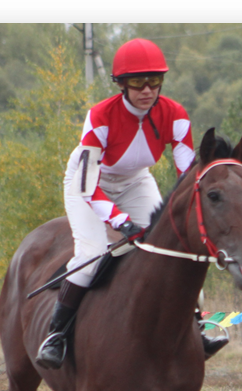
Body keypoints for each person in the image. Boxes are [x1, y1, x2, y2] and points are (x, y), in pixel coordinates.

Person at [36, 37, 228, 370]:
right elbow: (88, 188)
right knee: (92, 254)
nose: (147, 89)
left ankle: (196, 326)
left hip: (137, 181)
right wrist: (120, 220)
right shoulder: (100, 116)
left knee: (178, 251)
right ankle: (57, 335)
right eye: (138, 81)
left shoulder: (176, 115)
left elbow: (187, 176)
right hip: (88, 185)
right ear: (122, 84)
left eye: (155, 80)